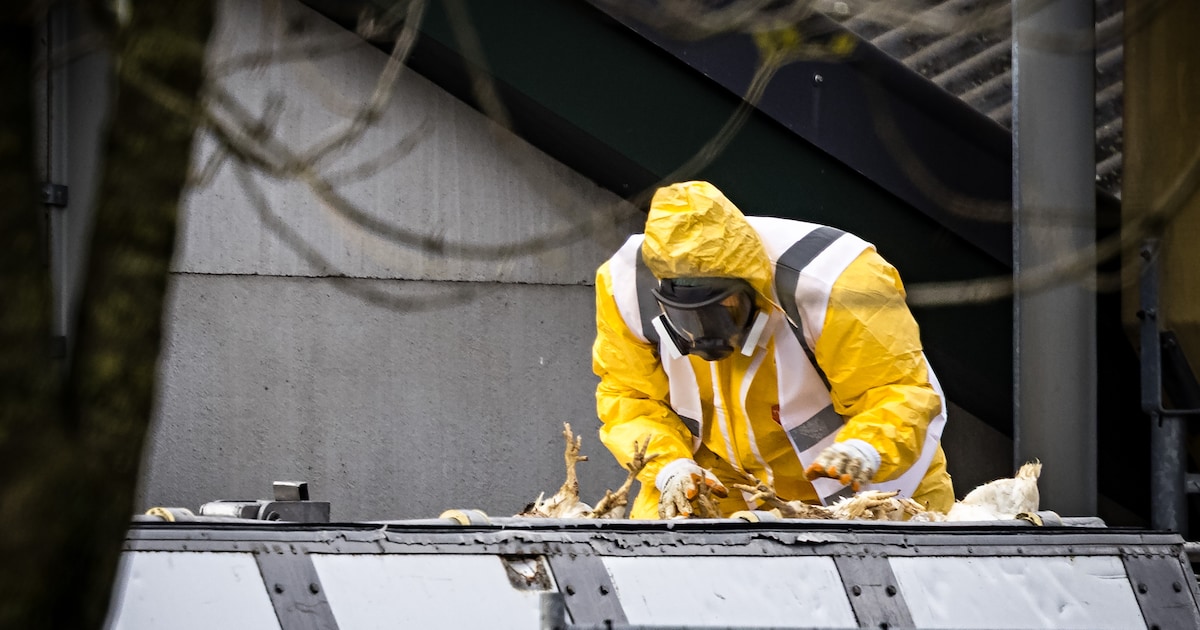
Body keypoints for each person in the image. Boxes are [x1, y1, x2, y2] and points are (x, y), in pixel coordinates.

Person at [592, 181, 953, 519]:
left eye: (725, 309)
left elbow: (894, 390)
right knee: (664, 555)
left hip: (858, 477)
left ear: (754, 290)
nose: (708, 334)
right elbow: (628, 397)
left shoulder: (837, 283)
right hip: (718, 477)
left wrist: (866, 448)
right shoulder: (626, 289)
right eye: (689, 317)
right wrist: (668, 467)